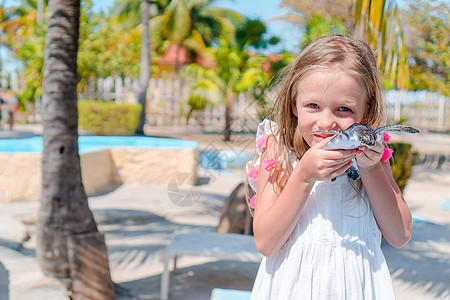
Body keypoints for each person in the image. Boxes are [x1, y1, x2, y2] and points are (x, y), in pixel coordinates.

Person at [246, 35, 411, 299]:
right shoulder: (280, 149)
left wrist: (371, 170)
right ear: (294, 104)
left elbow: (400, 234)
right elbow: (266, 243)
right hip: (291, 288)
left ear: (365, 114)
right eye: (313, 105)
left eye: (343, 109)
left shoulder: (370, 155)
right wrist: (302, 176)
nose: (326, 122)